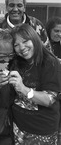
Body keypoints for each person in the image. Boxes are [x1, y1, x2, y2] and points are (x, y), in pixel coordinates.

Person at [8, 23, 61, 145]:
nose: (21, 47)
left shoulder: (50, 63)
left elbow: (49, 99)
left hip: (41, 131)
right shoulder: (17, 62)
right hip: (18, 127)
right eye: (16, 45)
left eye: (25, 41)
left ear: (34, 39)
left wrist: (23, 89)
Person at [46, 17, 61, 145]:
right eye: (56, 31)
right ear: (49, 30)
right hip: (48, 88)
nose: (59, 34)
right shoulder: (44, 46)